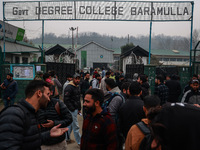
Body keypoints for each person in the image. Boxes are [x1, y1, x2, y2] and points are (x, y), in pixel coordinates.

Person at [0, 80, 68, 149]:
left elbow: (30, 141)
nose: (49, 99)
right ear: (39, 93)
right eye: (47, 94)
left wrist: (48, 134)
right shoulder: (14, 114)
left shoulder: (32, 113)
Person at [37, 85, 73, 150]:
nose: (48, 97)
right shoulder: (35, 107)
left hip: (59, 144)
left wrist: (54, 123)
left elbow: (69, 119)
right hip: (43, 145)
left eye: (49, 93)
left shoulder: (57, 104)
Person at [104, 78, 125, 150]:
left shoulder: (115, 96)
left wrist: (110, 127)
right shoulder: (117, 92)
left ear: (107, 85)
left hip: (115, 126)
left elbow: (111, 113)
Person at [64, 74, 81, 145]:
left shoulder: (76, 87)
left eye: (78, 79)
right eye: (76, 79)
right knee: (76, 126)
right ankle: (80, 142)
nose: (77, 80)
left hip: (75, 108)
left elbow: (78, 99)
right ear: (73, 79)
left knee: (70, 125)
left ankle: (66, 138)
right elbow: (66, 100)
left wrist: (79, 108)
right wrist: (72, 109)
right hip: (72, 109)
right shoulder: (69, 87)